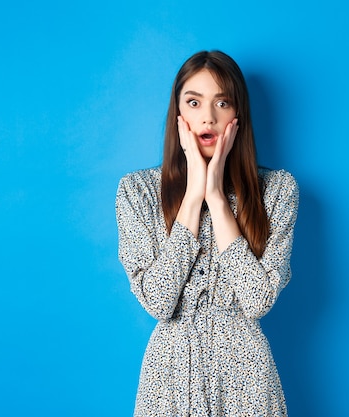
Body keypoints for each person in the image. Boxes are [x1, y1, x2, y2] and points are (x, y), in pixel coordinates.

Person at [116, 50, 299, 416]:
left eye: (222, 102)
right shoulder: (137, 191)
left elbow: (257, 301)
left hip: (246, 382)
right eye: (194, 102)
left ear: (238, 115)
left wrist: (215, 196)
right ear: (179, 114)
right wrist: (194, 191)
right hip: (168, 381)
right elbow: (158, 302)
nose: (208, 117)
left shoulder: (278, 190)